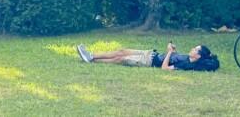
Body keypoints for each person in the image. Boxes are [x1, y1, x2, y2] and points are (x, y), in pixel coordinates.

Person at [76, 41, 219, 71]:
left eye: (195, 49)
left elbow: (164, 68)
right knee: (122, 50)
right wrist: (172, 51)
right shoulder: (188, 58)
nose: (192, 48)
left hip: (149, 62)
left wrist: (169, 52)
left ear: (198, 56)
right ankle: (91, 55)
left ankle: (93, 60)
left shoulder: (188, 65)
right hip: (151, 54)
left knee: (121, 59)